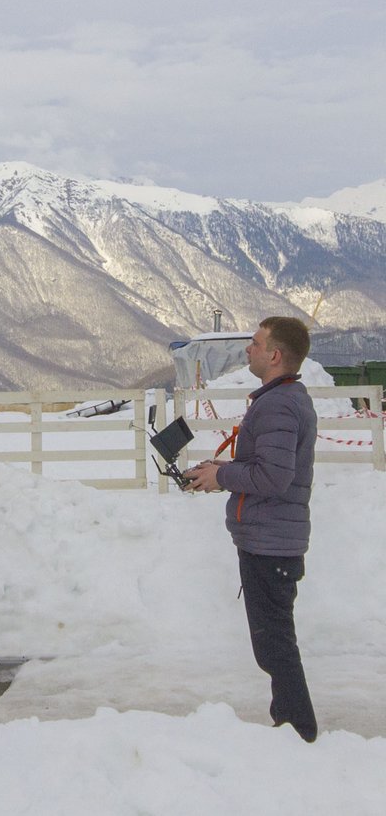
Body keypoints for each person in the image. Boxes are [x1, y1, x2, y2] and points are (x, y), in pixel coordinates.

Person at [186, 316, 319, 742]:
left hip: (270, 544)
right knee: (273, 644)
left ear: (275, 355)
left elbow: (275, 478)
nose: (249, 349)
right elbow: (267, 466)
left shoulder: (279, 403)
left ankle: (298, 733)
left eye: (256, 343)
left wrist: (223, 479)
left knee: (275, 646)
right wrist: (220, 469)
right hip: (268, 540)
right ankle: (290, 729)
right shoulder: (280, 398)